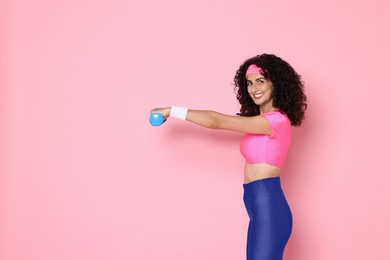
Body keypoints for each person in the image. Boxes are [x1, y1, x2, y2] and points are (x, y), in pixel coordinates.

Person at [151, 53, 307, 260]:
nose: (254, 88)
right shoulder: (257, 121)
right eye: (249, 83)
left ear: (275, 84)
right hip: (256, 203)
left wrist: (171, 111)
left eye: (261, 81)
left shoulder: (276, 121)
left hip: (269, 205)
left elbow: (217, 121)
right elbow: (221, 120)